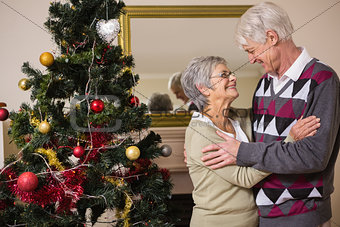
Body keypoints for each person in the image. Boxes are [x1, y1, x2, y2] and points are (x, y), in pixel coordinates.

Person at [201, 2, 340, 227]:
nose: (251, 59)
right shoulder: (263, 84)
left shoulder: (322, 80)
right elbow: (254, 136)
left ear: (272, 37)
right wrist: (200, 137)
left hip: (302, 214)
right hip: (264, 212)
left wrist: (244, 151)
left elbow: (313, 156)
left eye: (252, 50)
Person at [181, 56, 318, 227]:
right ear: (203, 88)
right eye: (224, 75)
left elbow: (270, 115)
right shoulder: (200, 132)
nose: (233, 77)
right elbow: (245, 177)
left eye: (230, 73)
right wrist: (289, 141)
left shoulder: (241, 117)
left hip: (252, 220)